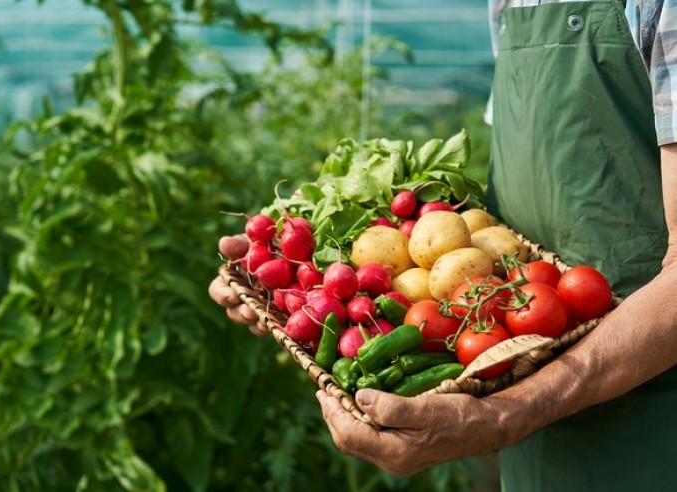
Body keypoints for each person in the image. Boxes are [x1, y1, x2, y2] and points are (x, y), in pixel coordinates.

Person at [209, 0, 677, 489]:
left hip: (649, 413)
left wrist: (501, 417)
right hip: (525, 388)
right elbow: (550, 176)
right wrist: (292, 255)